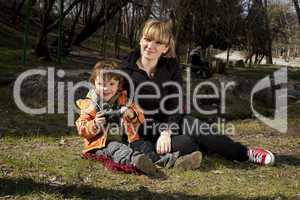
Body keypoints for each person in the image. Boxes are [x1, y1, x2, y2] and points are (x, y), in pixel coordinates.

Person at [120, 19, 275, 166]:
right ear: (141, 40)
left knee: (202, 130)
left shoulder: (171, 66)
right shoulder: (125, 68)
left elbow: (176, 102)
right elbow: (108, 97)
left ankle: (246, 153)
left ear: (165, 48)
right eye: (147, 39)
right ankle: (183, 151)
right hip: (141, 129)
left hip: (169, 121)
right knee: (188, 144)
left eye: (158, 42)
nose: (150, 46)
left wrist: (167, 131)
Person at [76, 61, 198, 177]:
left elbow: (140, 116)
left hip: (127, 138)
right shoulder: (90, 104)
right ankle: (136, 161)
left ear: (119, 85)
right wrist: (95, 124)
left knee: (144, 146)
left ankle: (174, 162)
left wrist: (131, 114)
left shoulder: (123, 99)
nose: (105, 89)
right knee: (118, 149)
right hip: (102, 143)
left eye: (111, 84)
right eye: (101, 84)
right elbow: (81, 128)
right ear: (93, 83)